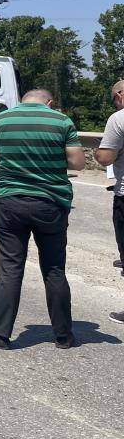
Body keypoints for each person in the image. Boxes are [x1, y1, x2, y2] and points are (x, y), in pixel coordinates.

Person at [0, 89, 86, 350]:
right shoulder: (61, 121)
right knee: (54, 269)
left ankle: (0, 334)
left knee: (11, 268)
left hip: (11, 202)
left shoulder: (0, 120)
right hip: (51, 204)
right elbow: (78, 163)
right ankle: (64, 336)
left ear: (22, 101)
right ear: (49, 102)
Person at [95, 79, 124, 322]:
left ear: (121, 94)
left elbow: (105, 158)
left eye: (114, 99)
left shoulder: (119, 118)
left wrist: (99, 152)